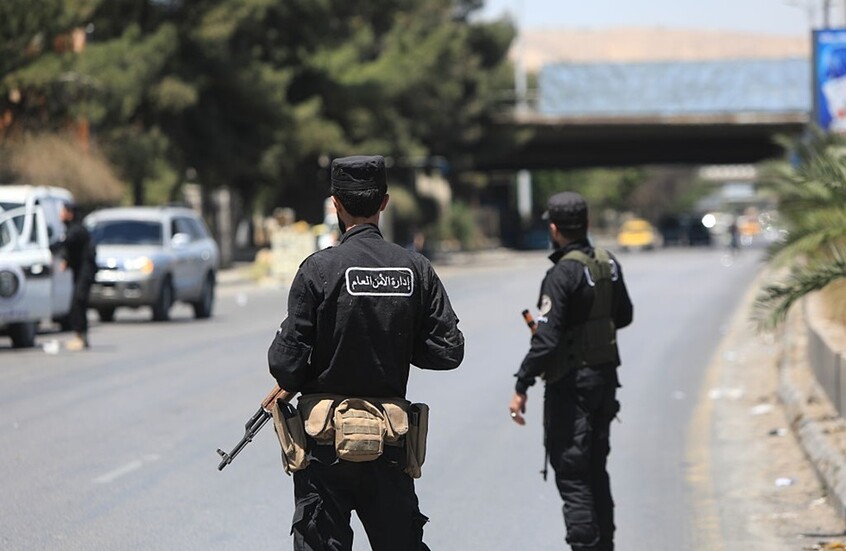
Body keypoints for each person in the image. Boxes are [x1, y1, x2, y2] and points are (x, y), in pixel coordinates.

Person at [267, 155, 465, 551]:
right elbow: (449, 350)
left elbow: (286, 366)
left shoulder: (318, 270)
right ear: (384, 202)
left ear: (336, 204)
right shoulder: (414, 268)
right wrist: (397, 340)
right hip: (390, 446)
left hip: (325, 450)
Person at [508, 191, 633, 551]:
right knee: (596, 470)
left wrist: (522, 385)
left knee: (574, 475)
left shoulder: (561, 273)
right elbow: (624, 316)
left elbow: (546, 342)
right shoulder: (608, 263)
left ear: (553, 229)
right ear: (587, 223)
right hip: (604, 383)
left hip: (571, 389)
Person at [52, 201, 97, 351]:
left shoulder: (76, 230)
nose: (60, 215)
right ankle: (81, 336)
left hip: (85, 272)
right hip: (79, 272)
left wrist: (50, 249)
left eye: (63, 212)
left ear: (69, 214)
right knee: (78, 303)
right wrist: (66, 259)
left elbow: (66, 243)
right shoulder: (73, 229)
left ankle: (80, 337)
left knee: (78, 303)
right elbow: (71, 249)